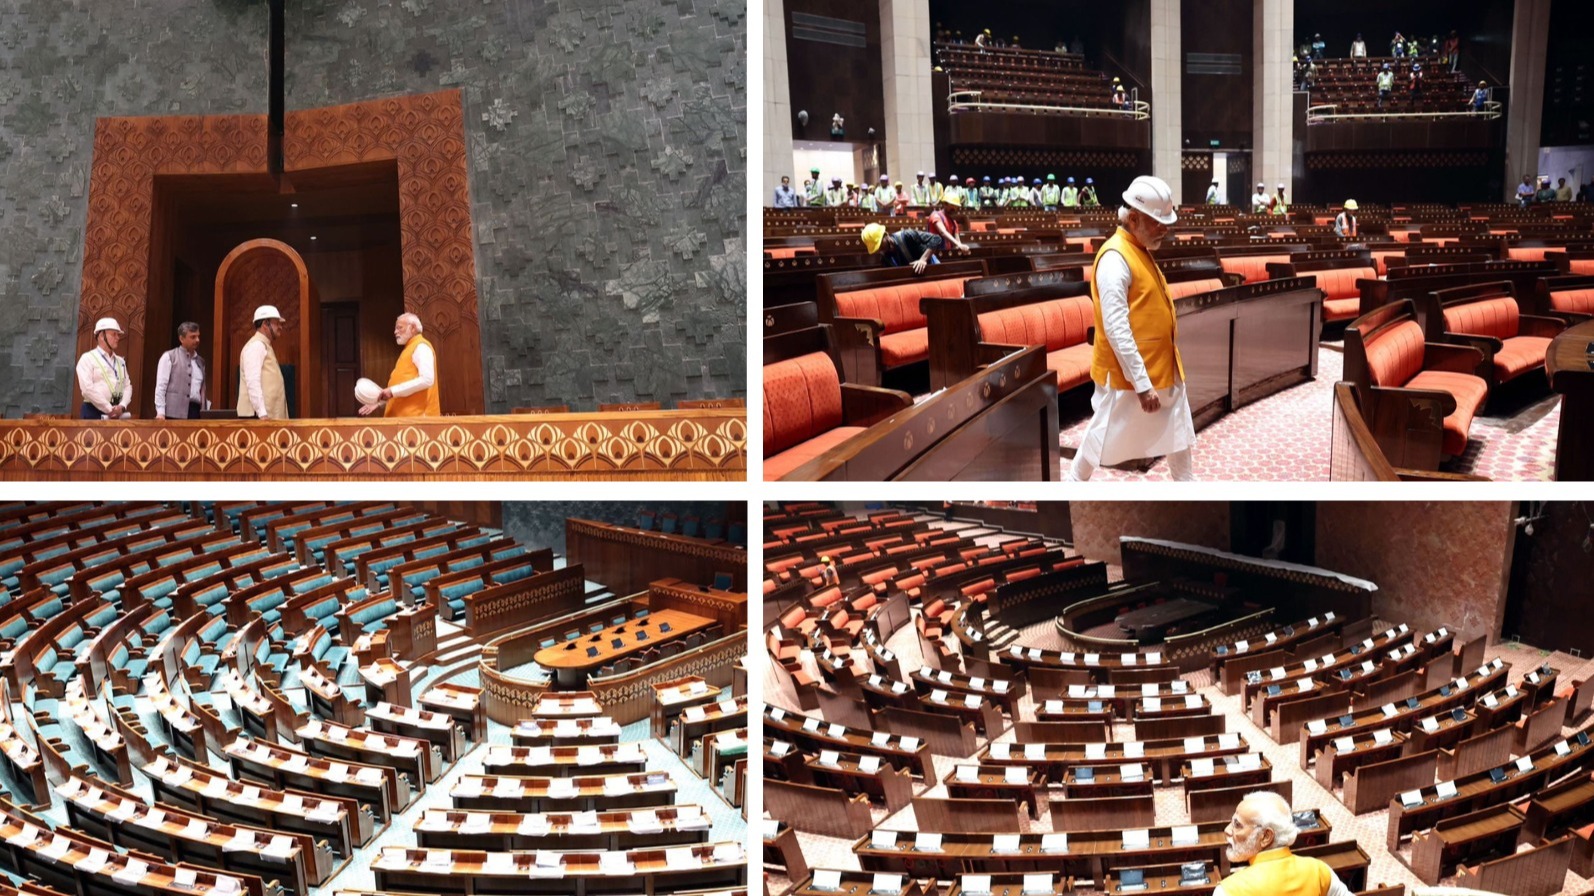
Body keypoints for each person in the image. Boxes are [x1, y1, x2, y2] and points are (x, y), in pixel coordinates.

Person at [1066, 175, 1196, 482]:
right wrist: (1141, 383)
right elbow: (1116, 328)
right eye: (1157, 222)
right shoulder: (1115, 257)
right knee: (1101, 434)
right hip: (1130, 375)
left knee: (1178, 429)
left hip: (1162, 365)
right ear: (1133, 218)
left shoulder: (1139, 247)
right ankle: (1074, 481)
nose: (1164, 229)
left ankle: (1185, 483)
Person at [1214, 792, 1354, 896]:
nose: (1227, 830)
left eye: (1237, 825)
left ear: (1266, 837)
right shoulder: (1319, 871)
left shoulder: (1229, 891)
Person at [362, 312, 440, 417]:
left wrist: (392, 391)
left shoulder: (421, 346)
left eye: (399, 328)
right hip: (403, 419)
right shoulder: (409, 348)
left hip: (416, 419)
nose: (395, 332)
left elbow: (427, 380)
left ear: (412, 328)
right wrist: (381, 401)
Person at [237, 305, 289, 420]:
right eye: (277, 323)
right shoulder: (256, 346)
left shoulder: (264, 345)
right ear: (265, 324)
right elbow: (253, 381)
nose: (280, 327)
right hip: (259, 418)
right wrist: (262, 414)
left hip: (266, 418)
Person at [76, 317, 132, 420]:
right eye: (114, 334)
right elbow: (87, 389)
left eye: (118, 334)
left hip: (117, 413)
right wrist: (109, 409)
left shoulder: (120, 361)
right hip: (93, 411)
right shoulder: (87, 358)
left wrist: (122, 406)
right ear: (102, 336)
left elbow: (127, 386)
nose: (118, 338)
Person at [154, 321, 206, 420]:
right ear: (181, 338)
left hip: (195, 412)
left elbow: (202, 390)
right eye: (193, 337)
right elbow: (161, 386)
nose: (197, 340)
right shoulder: (169, 357)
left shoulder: (201, 362)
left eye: (198, 336)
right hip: (173, 413)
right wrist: (160, 412)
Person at [861, 222, 941, 274]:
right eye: (877, 249)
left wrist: (923, 260)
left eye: (880, 245)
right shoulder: (885, 259)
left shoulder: (907, 235)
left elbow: (936, 239)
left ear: (886, 235)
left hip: (932, 270)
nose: (881, 250)